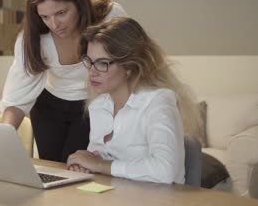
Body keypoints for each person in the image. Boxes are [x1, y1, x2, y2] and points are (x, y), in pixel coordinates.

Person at [0, 0, 127, 162]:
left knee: (78, 169)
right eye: (45, 16)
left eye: (61, 13)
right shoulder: (33, 37)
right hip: (49, 106)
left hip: (95, 103)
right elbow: (15, 99)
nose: (54, 24)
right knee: (51, 170)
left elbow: (133, 67)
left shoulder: (109, 17)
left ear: (79, 2)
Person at [66, 17, 202, 184]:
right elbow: (96, 164)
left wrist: (100, 164)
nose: (92, 72)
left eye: (102, 63)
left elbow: (166, 171)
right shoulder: (98, 105)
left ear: (129, 66)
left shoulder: (158, 101)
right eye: (89, 61)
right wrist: (84, 165)